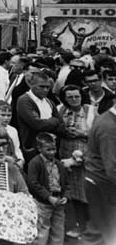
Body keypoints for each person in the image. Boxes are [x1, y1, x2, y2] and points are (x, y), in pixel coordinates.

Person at [56, 84, 93, 238]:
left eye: (76, 96)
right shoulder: (61, 110)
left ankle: (93, 227)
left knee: (89, 193)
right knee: (74, 193)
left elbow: (97, 135)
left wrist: (81, 133)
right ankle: (81, 225)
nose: (74, 100)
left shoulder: (91, 111)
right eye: (70, 97)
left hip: (87, 157)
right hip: (67, 157)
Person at [82, 105, 116, 245]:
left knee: (96, 231)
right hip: (103, 184)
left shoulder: (107, 120)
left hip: (99, 181)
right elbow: (112, 168)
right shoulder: (109, 127)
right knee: (109, 232)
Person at [27, 133, 68, 245]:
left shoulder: (59, 164)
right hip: (43, 204)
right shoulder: (35, 163)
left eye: (54, 149)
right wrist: (48, 197)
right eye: (48, 149)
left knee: (58, 231)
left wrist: (65, 196)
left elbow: (66, 183)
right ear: (39, 149)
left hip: (58, 202)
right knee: (42, 231)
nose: (52, 152)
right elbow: (33, 183)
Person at [16, 70, 63, 166]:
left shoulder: (49, 101)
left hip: (51, 147)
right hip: (33, 149)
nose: (45, 90)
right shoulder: (24, 100)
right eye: (41, 86)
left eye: (48, 87)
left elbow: (60, 122)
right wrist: (53, 121)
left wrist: (50, 122)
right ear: (32, 84)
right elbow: (37, 124)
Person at [0, 100, 24, 170]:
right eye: (3, 115)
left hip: (13, 163)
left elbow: (17, 148)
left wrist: (21, 160)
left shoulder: (13, 130)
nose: (6, 118)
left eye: (9, 115)